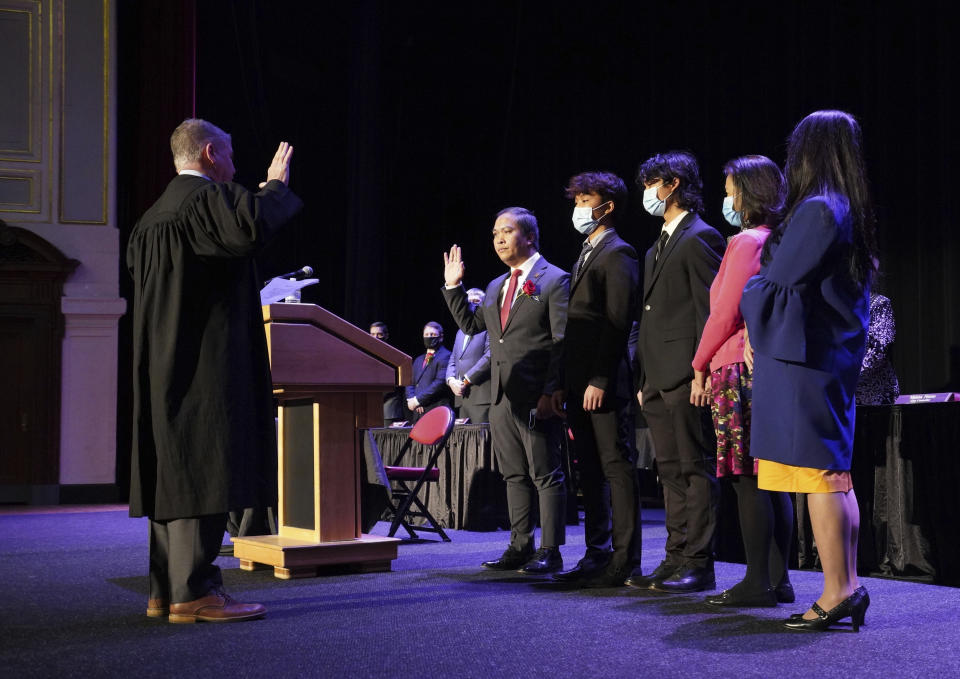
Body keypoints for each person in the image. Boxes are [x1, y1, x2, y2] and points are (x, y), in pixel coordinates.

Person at [127, 118, 302, 623]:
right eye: (228, 156)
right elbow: (250, 226)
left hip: (161, 363)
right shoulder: (202, 202)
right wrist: (273, 187)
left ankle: (165, 590)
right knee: (203, 467)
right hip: (203, 362)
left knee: (172, 470)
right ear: (208, 154)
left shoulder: (151, 218)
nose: (234, 167)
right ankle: (196, 592)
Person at [741, 110, 877, 631]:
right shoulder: (844, 207)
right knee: (833, 476)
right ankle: (850, 586)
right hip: (822, 355)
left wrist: (752, 313)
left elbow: (775, 282)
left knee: (821, 477)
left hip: (806, 360)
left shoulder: (819, 209)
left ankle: (837, 589)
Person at [689, 156, 795, 608]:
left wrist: (698, 363)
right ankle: (777, 578)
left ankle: (758, 581)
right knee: (771, 476)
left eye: (730, 189)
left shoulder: (746, 241)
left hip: (734, 368)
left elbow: (725, 312)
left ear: (748, 194)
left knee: (746, 477)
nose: (726, 198)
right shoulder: (780, 241)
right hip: (765, 371)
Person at [442, 207, 569, 574]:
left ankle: (551, 550)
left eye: (507, 231)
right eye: (495, 231)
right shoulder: (497, 286)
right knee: (514, 474)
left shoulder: (554, 280)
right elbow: (470, 323)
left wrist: (552, 390)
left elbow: (562, 341)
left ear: (529, 237)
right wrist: (454, 287)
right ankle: (519, 545)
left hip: (536, 395)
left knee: (545, 473)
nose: (498, 238)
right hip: (500, 397)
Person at [629, 151, 725, 593]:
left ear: (672, 184)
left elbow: (712, 311)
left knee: (694, 467)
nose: (647, 192)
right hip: (656, 377)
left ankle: (699, 562)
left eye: (652, 183)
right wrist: (643, 377)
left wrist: (702, 373)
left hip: (687, 374)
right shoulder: (657, 246)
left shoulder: (700, 236)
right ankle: (674, 555)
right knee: (667, 470)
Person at [551, 171, 642, 588]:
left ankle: (625, 560)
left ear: (607, 206)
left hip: (603, 382)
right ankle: (597, 552)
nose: (580, 207)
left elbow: (617, 321)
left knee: (615, 467)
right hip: (577, 382)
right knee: (588, 469)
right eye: (577, 199)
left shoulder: (618, 252)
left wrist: (601, 377)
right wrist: (561, 384)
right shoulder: (585, 253)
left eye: (587, 200)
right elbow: (576, 329)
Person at [446, 288, 492, 423]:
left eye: (476, 301)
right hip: (461, 397)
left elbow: (490, 356)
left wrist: (466, 379)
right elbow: (453, 359)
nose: (472, 305)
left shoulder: (488, 328)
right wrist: (451, 380)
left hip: (481, 397)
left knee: (481, 440)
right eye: (469, 301)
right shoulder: (460, 332)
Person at [406, 322, 453, 421]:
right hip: (418, 411)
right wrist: (412, 400)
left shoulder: (446, 356)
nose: (429, 337)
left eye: (433, 334)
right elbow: (410, 382)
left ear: (441, 337)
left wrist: (418, 400)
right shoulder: (418, 359)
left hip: (436, 408)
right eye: (426, 335)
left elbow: (439, 383)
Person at [370, 322, 407, 426]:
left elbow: (395, 382)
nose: (375, 337)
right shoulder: (367, 355)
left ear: (386, 336)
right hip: (371, 407)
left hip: (389, 409)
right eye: (372, 334)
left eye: (379, 334)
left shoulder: (394, 355)